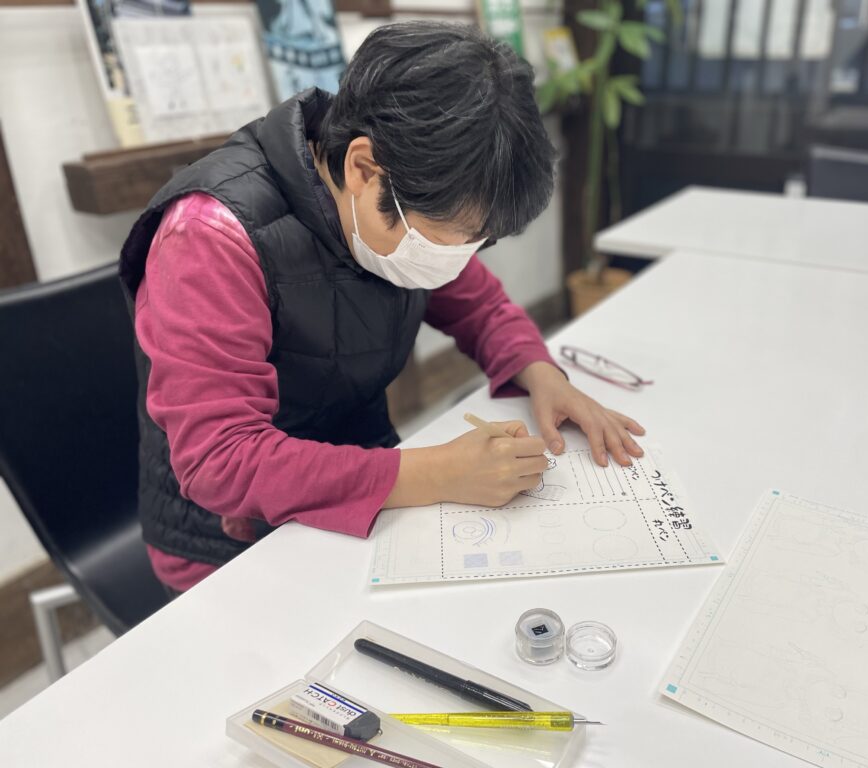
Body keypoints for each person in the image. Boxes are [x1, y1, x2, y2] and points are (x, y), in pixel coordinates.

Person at [119, 21, 645, 595]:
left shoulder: (394, 202)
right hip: (228, 542)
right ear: (364, 170)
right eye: (450, 237)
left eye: (480, 241)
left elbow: (483, 308)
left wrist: (541, 375)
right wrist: (434, 472)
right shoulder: (210, 236)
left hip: (357, 476)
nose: (461, 256)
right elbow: (220, 461)